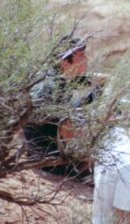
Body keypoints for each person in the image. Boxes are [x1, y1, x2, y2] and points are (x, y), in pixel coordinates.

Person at [23, 38, 103, 177]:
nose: (86, 59)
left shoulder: (50, 79)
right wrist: (85, 155)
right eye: (81, 56)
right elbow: (67, 132)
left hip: (36, 153)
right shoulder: (58, 89)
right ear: (66, 62)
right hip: (50, 162)